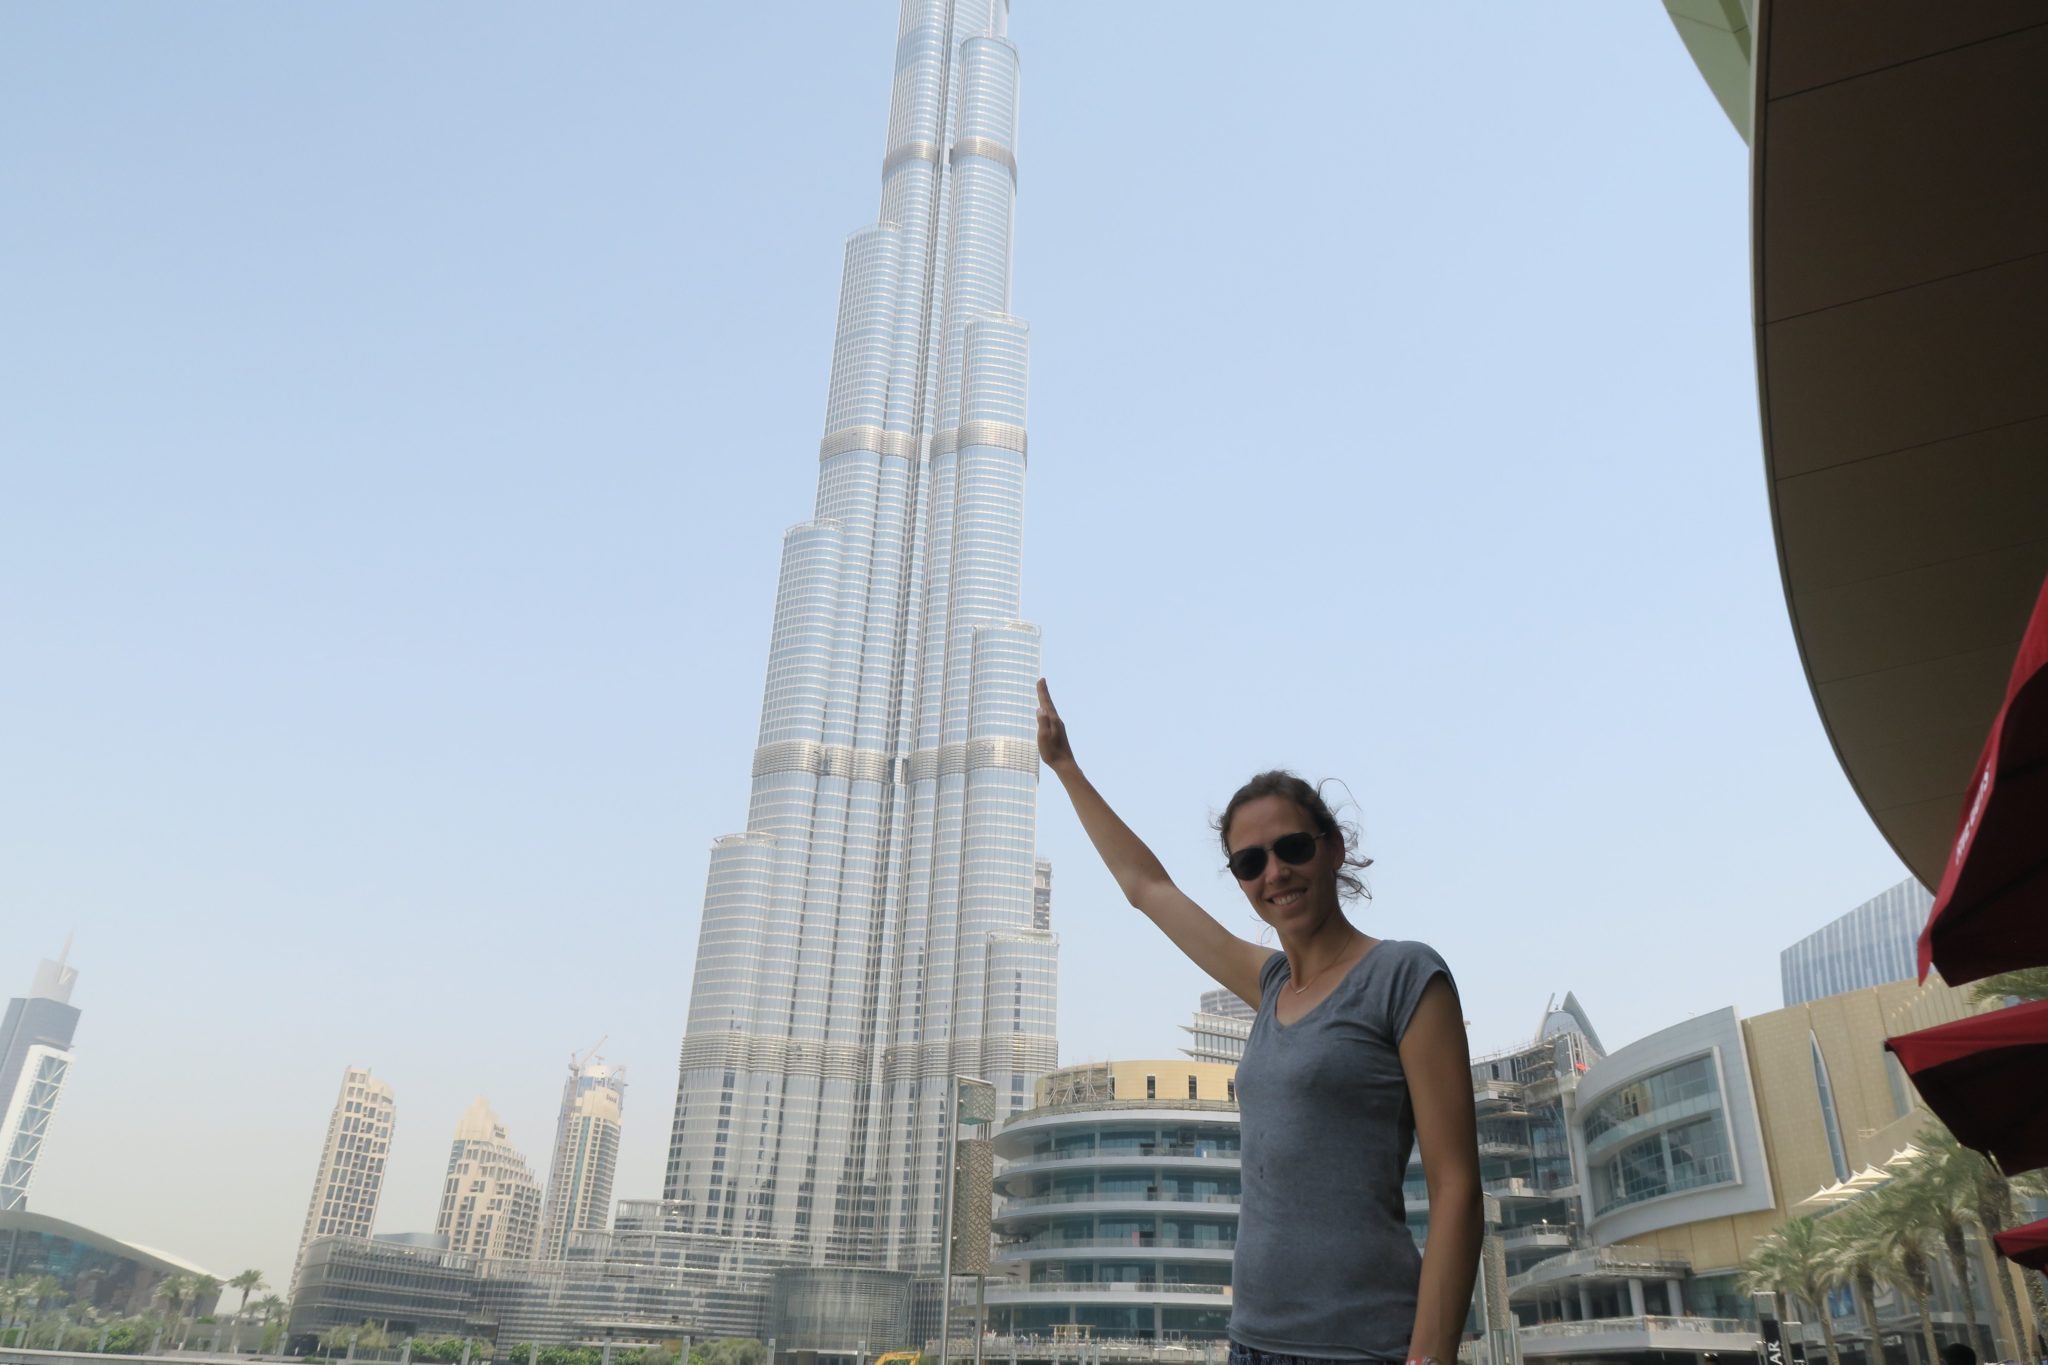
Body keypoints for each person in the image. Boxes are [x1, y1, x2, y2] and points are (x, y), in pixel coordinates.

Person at [1035, 679, 1481, 1365]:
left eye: (1292, 847)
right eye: (1250, 862)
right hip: (1252, 1343)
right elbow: (1147, 887)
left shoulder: (1404, 976)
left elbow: (1457, 1188)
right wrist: (1067, 767)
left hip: (1362, 1348)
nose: (1275, 872)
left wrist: (1429, 1358)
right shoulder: (1271, 985)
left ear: (1334, 848)